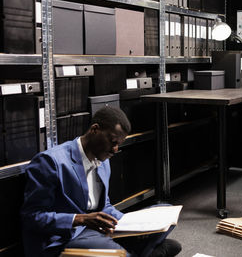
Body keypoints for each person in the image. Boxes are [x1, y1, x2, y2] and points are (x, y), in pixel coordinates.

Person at [20, 106, 182, 257]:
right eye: (113, 142)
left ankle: (128, 250)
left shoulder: (103, 160)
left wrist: (132, 225)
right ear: (95, 130)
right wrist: (80, 219)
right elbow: (31, 216)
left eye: (119, 144)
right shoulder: (50, 162)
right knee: (129, 251)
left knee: (166, 211)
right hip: (66, 237)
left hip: (98, 231)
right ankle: (133, 252)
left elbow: (104, 207)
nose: (115, 150)